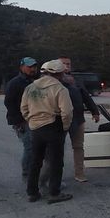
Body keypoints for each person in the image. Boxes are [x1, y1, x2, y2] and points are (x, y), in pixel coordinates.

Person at [21, 60, 74, 204]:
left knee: (36, 161)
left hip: (35, 128)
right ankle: (54, 193)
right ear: (58, 73)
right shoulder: (59, 88)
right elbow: (67, 112)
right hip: (53, 126)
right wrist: (65, 126)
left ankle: (32, 192)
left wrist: (31, 121)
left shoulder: (31, 87)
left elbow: (24, 108)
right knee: (56, 161)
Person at [58, 56, 100, 182]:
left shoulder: (76, 80)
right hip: (59, 120)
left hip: (77, 119)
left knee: (78, 147)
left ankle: (79, 173)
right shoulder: (52, 81)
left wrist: (95, 111)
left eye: (68, 63)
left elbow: (86, 96)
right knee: (57, 148)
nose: (67, 65)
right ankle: (56, 175)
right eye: (63, 63)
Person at [4, 57, 39, 184]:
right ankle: (27, 174)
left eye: (34, 66)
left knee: (38, 148)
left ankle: (37, 174)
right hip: (23, 121)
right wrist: (18, 122)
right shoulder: (15, 83)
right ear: (22, 67)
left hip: (36, 119)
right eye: (29, 67)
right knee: (29, 147)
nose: (32, 69)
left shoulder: (36, 81)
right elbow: (9, 103)